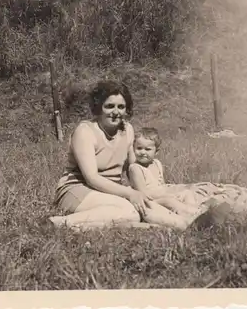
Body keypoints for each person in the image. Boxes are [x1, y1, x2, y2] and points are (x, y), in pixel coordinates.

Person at [49, 80, 185, 231]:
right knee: (131, 210)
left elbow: (133, 167)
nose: (115, 112)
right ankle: (61, 222)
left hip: (111, 190)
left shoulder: (128, 130)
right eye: (109, 106)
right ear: (99, 107)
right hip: (77, 189)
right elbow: (91, 178)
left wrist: (153, 191)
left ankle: (179, 224)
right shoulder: (85, 131)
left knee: (143, 207)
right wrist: (129, 193)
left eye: (121, 107)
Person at [129, 126, 247, 226]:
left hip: (164, 191)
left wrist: (174, 192)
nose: (143, 152)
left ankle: (199, 210)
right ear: (133, 149)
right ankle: (193, 214)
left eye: (147, 149)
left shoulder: (157, 163)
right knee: (171, 200)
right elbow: (144, 194)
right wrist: (169, 195)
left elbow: (162, 183)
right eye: (139, 148)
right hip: (153, 199)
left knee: (187, 194)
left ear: (156, 151)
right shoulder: (135, 168)